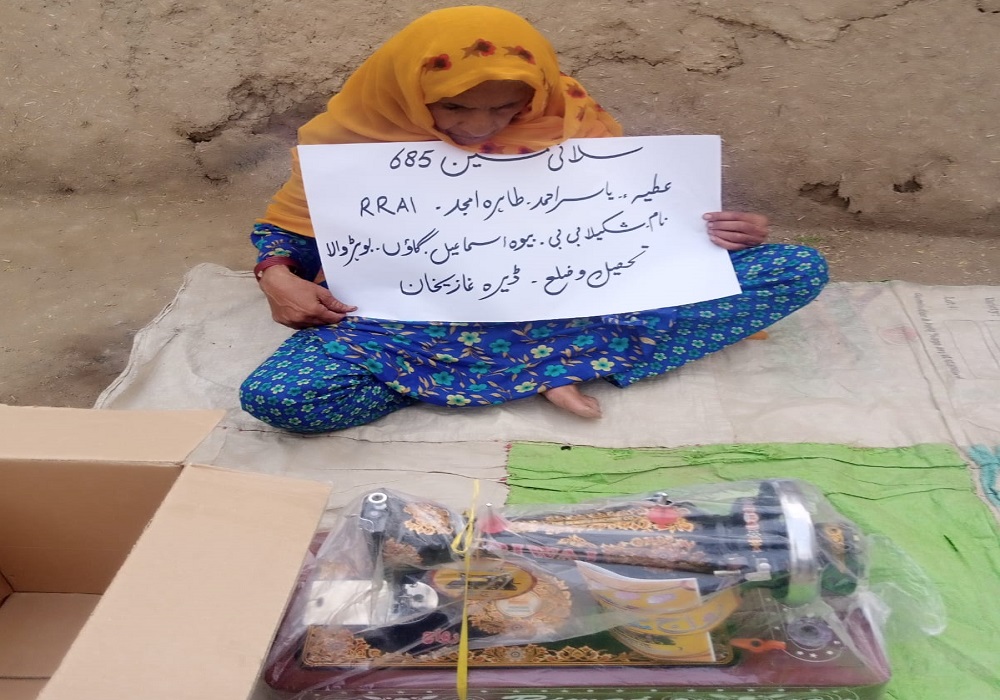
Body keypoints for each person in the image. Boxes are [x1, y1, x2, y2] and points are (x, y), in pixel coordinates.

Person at [240, 5, 828, 433]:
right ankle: (548, 367)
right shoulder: (358, 134)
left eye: (506, 107)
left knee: (796, 268)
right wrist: (277, 275)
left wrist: (715, 234)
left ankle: (473, 375)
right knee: (282, 399)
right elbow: (294, 235)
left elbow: (637, 223)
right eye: (453, 106)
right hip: (418, 322)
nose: (479, 127)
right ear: (408, 93)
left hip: (572, 304)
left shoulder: (567, 116)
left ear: (537, 91)